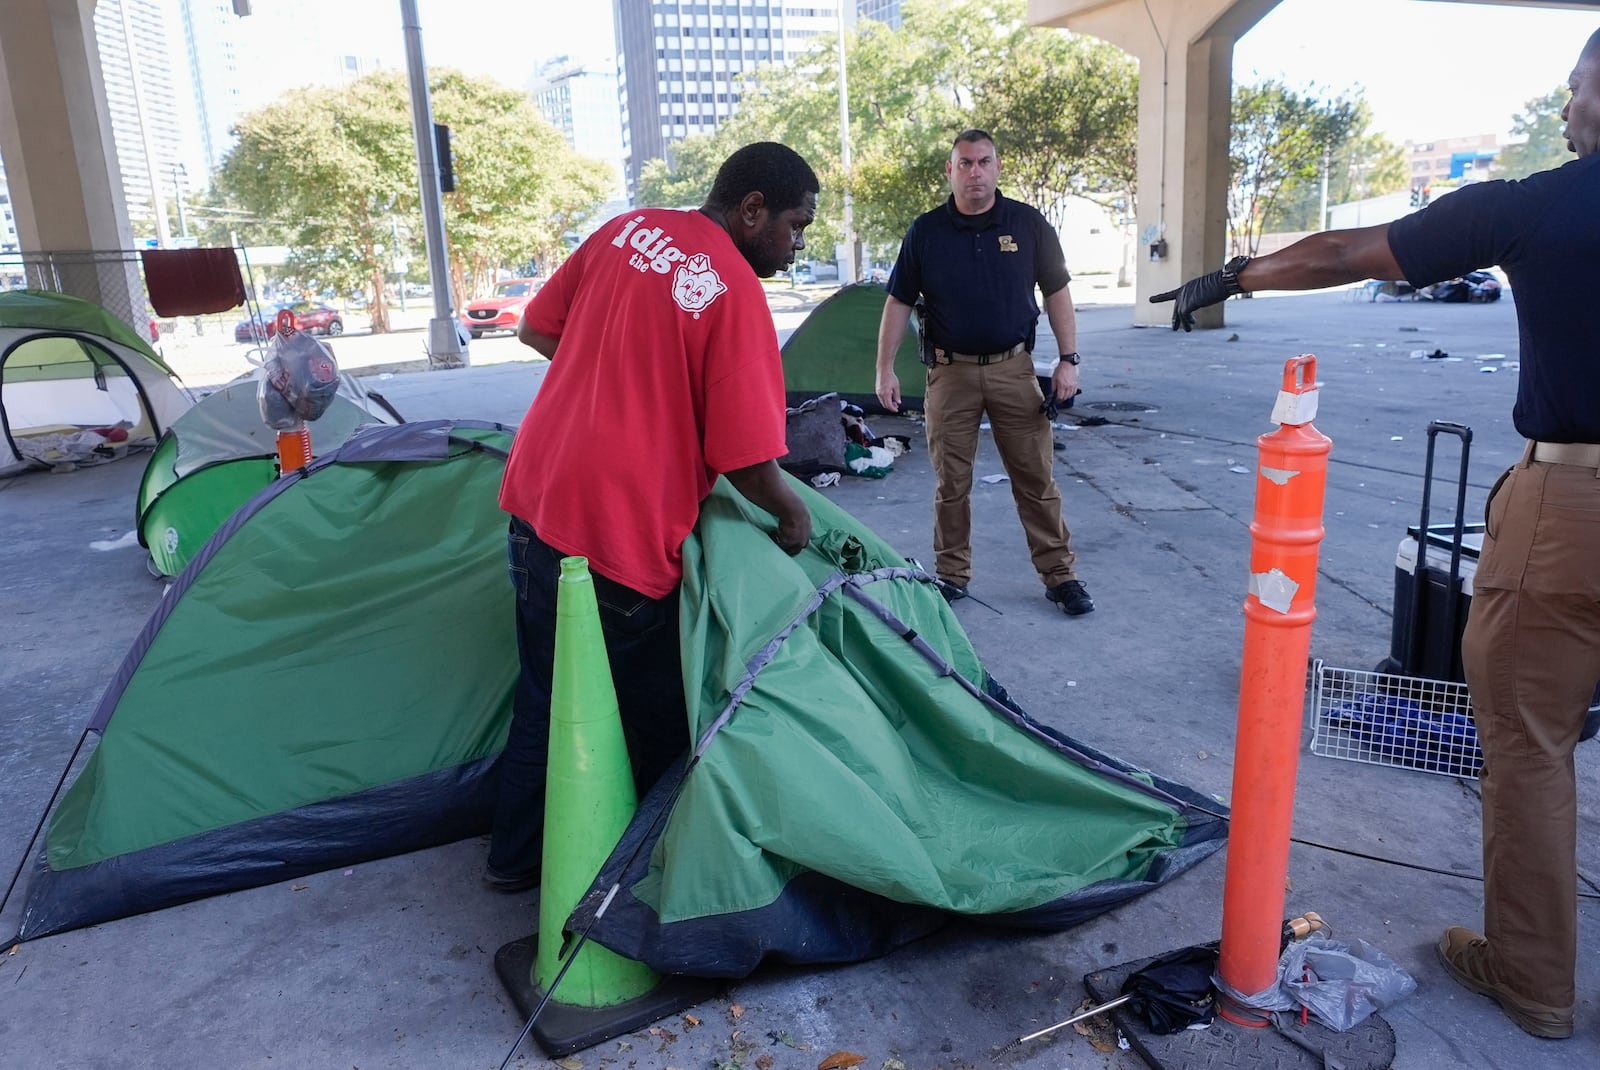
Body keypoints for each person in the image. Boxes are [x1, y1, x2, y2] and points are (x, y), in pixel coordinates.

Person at [1150, 28, 1600, 1041]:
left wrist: (1234, 277)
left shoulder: (1538, 205)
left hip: (1573, 508)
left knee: (1527, 743)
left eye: (1574, 88)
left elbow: (1348, 249)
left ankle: (1531, 977)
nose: (1567, 108)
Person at [486, 142, 819, 892]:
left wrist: (616, 382)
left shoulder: (625, 230)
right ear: (752, 209)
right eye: (796, 225)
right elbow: (745, 460)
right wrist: (795, 519)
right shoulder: (732, 289)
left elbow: (538, 328)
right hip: (620, 534)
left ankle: (512, 864)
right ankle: (649, 880)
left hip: (536, 499)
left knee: (544, 692)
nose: (798, 245)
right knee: (662, 721)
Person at [874, 129, 1094, 617]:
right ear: (950, 171)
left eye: (984, 162)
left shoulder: (1028, 224)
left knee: (1036, 478)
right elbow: (898, 302)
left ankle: (1060, 576)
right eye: (966, 163)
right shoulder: (926, 231)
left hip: (1014, 369)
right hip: (949, 375)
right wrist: (884, 369)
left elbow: (1057, 292)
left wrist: (1068, 359)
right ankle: (952, 574)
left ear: (997, 167)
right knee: (951, 482)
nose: (975, 172)